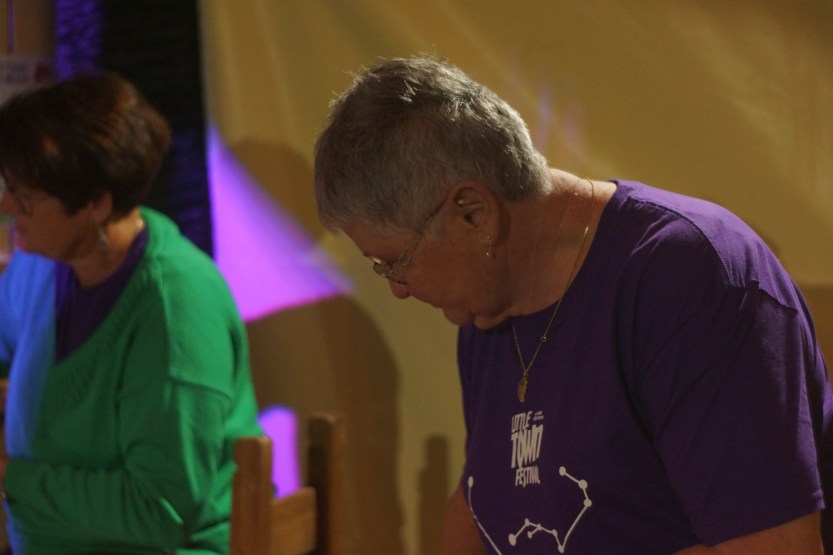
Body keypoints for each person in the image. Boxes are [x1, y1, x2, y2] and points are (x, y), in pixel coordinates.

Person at [313, 56, 833, 554]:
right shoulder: (491, 306)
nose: (398, 288)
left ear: (473, 214)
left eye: (394, 263)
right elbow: (484, 502)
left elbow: (773, 549)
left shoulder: (690, 281)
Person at [0, 72, 262, 553]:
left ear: (97, 203)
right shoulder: (43, 262)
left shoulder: (176, 304)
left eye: (27, 198)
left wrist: (12, 477)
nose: (7, 205)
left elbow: (159, 509)